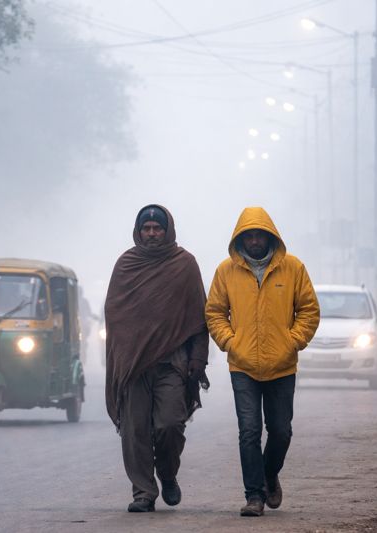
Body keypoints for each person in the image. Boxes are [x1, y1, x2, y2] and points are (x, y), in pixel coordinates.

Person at [205, 207, 319, 517]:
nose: (254, 240)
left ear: (270, 236)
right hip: (243, 367)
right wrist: (231, 342)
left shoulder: (293, 268)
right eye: (249, 235)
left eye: (259, 235)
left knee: (281, 431)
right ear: (240, 238)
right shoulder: (225, 271)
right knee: (249, 431)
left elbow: (308, 310)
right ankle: (254, 496)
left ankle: (269, 475)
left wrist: (292, 342)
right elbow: (215, 312)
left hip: (282, 366)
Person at [105, 204, 209, 513]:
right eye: (146, 228)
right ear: (138, 232)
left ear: (168, 231)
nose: (152, 233)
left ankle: (167, 473)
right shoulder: (126, 265)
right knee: (134, 431)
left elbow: (198, 318)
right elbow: (115, 314)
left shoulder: (185, 265)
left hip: (172, 364)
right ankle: (143, 492)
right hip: (135, 366)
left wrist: (198, 360)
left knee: (169, 425)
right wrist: (125, 354)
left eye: (157, 228)